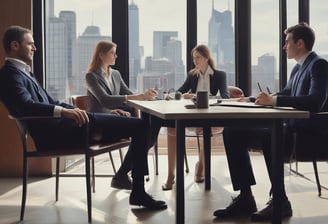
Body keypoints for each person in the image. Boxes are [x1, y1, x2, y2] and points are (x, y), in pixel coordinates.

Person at [0, 25, 167, 210]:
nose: (35, 48)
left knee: (141, 125)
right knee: (140, 126)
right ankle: (137, 191)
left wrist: (75, 110)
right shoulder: (9, 75)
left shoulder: (24, 72)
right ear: (15, 45)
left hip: (72, 126)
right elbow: (25, 106)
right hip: (58, 134)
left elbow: (51, 101)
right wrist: (64, 112)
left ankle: (130, 184)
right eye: (30, 44)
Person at [213, 22, 328, 221]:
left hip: (308, 134)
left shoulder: (319, 65)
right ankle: (245, 197)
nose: (284, 47)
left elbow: (315, 103)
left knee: (270, 135)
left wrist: (273, 100)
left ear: (299, 43)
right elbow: (284, 93)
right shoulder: (298, 69)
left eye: (287, 42)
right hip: (288, 129)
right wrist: (252, 99)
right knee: (233, 132)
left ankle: (280, 201)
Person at [85, 41, 157, 190]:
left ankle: (122, 175)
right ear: (101, 54)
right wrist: (134, 99)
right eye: (112, 52)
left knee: (149, 134)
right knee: (143, 133)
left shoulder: (115, 74)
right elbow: (105, 100)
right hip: (98, 127)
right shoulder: (91, 77)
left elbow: (129, 94)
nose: (116, 56)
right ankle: (127, 178)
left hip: (114, 121)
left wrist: (146, 96)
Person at [162, 44, 230, 190]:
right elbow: (180, 91)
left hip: (211, 117)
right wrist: (171, 95)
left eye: (198, 57)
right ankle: (170, 175)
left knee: (205, 129)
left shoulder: (219, 75)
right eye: (194, 58)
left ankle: (201, 166)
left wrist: (202, 97)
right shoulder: (192, 75)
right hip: (191, 115)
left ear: (206, 58)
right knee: (171, 129)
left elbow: (225, 97)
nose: (195, 61)